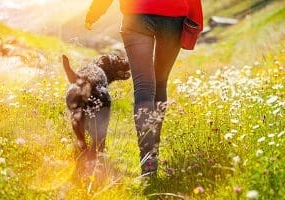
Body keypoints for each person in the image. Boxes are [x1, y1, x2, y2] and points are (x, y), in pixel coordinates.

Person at [85, 0, 203, 176]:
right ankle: (153, 152)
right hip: (173, 16)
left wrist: (94, 13)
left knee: (144, 88)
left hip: (136, 14)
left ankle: (147, 159)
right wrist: (196, 20)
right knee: (160, 82)